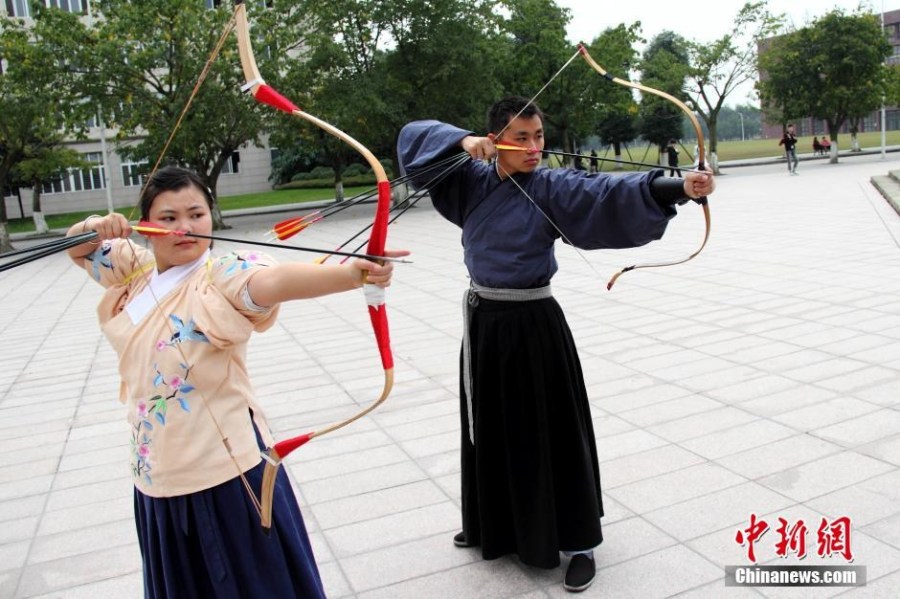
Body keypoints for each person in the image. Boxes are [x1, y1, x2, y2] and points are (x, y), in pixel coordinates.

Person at [396, 96, 714, 593]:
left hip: (533, 325)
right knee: (493, 426)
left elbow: (607, 191)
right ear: (495, 139)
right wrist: (463, 141)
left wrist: (678, 186)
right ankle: (493, 525)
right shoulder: (468, 180)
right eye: (520, 138)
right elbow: (415, 134)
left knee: (551, 432)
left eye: (538, 136)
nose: (533, 147)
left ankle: (580, 542)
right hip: (484, 323)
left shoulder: (551, 186)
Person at [64, 166, 407, 599]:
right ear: (143, 226)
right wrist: (93, 227)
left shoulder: (221, 274)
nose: (185, 228)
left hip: (227, 474)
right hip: (157, 475)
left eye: (197, 214)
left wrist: (350, 275)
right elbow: (77, 247)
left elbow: (271, 282)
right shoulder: (134, 269)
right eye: (168, 218)